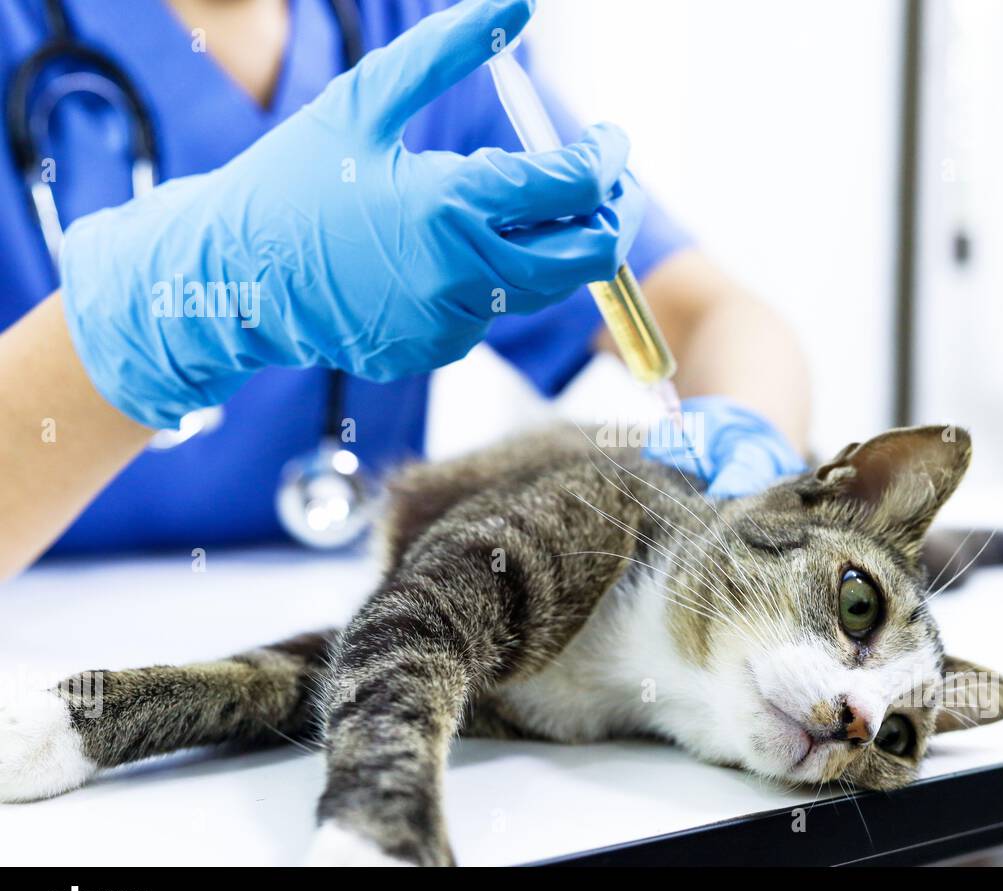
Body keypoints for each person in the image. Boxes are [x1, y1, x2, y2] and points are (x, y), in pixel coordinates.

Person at [0, 0, 811, 581]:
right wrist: (161, 314)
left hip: (314, 663)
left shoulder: (419, 35)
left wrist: (750, 454)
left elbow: (713, 317)